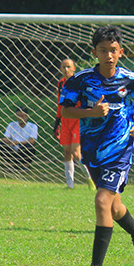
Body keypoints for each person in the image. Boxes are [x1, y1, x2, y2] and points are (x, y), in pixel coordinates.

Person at [59, 26, 134, 266]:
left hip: (120, 149)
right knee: (113, 208)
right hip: (92, 150)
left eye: (113, 50)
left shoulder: (131, 79)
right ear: (95, 52)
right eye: (103, 50)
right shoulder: (80, 80)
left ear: (121, 52)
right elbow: (66, 112)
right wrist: (91, 113)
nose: (108, 55)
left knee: (102, 201)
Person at [54, 59, 93, 189]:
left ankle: (90, 178)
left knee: (76, 153)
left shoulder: (80, 83)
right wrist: (57, 122)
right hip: (65, 121)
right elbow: (61, 104)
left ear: (74, 68)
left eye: (68, 67)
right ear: (60, 69)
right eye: (64, 67)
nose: (66, 69)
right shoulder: (60, 84)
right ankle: (70, 184)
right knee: (66, 152)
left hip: (77, 120)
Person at [0, 106, 38, 172]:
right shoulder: (12, 124)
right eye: (18, 116)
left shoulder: (33, 126)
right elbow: (5, 138)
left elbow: (32, 141)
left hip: (23, 148)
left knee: (30, 146)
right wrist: (8, 141)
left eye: (22, 116)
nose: (20, 118)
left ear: (26, 116)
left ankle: (25, 167)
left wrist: (18, 143)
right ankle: (11, 165)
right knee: (1, 144)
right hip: (13, 148)